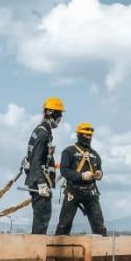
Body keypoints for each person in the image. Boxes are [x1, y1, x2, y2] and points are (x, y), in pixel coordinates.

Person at [55, 122, 107, 236]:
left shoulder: (95, 154)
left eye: (90, 135)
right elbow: (64, 170)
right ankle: (56, 250)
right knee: (65, 223)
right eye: (85, 135)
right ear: (79, 134)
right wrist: (81, 176)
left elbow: (99, 169)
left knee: (99, 224)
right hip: (73, 190)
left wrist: (99, 174)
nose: (88, 137)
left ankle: (103, 251)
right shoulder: (69, 152)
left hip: (90, 191)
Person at [24, 97, 64, 234]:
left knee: (41, 216)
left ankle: (37, 249)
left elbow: (38, 159)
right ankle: (36, 252)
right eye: (59, 114)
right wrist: (41, 184)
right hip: (39, 184)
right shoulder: (43, 133)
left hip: (37, 180)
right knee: (42, 217)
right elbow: (36, 160)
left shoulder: (42, 131)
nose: (60, 118)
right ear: (50, 113)